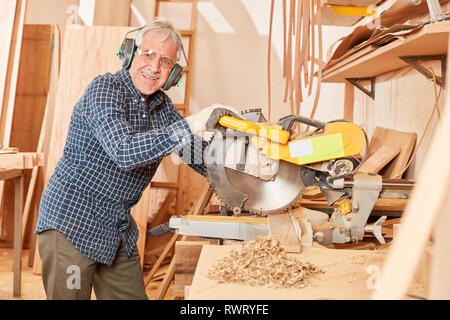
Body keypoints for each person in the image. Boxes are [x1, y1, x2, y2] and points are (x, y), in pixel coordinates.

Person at [35, 18, 238, 300]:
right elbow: (124, 151)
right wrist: (191, 124)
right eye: (148, 54)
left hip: (116, 229)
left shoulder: (162, 106)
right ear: (129, 54)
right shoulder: (105, 91)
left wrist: (241, 167)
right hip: (72, 226)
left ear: (173, 72)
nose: (155, 67)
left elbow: (194, 154)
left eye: (165, 61)